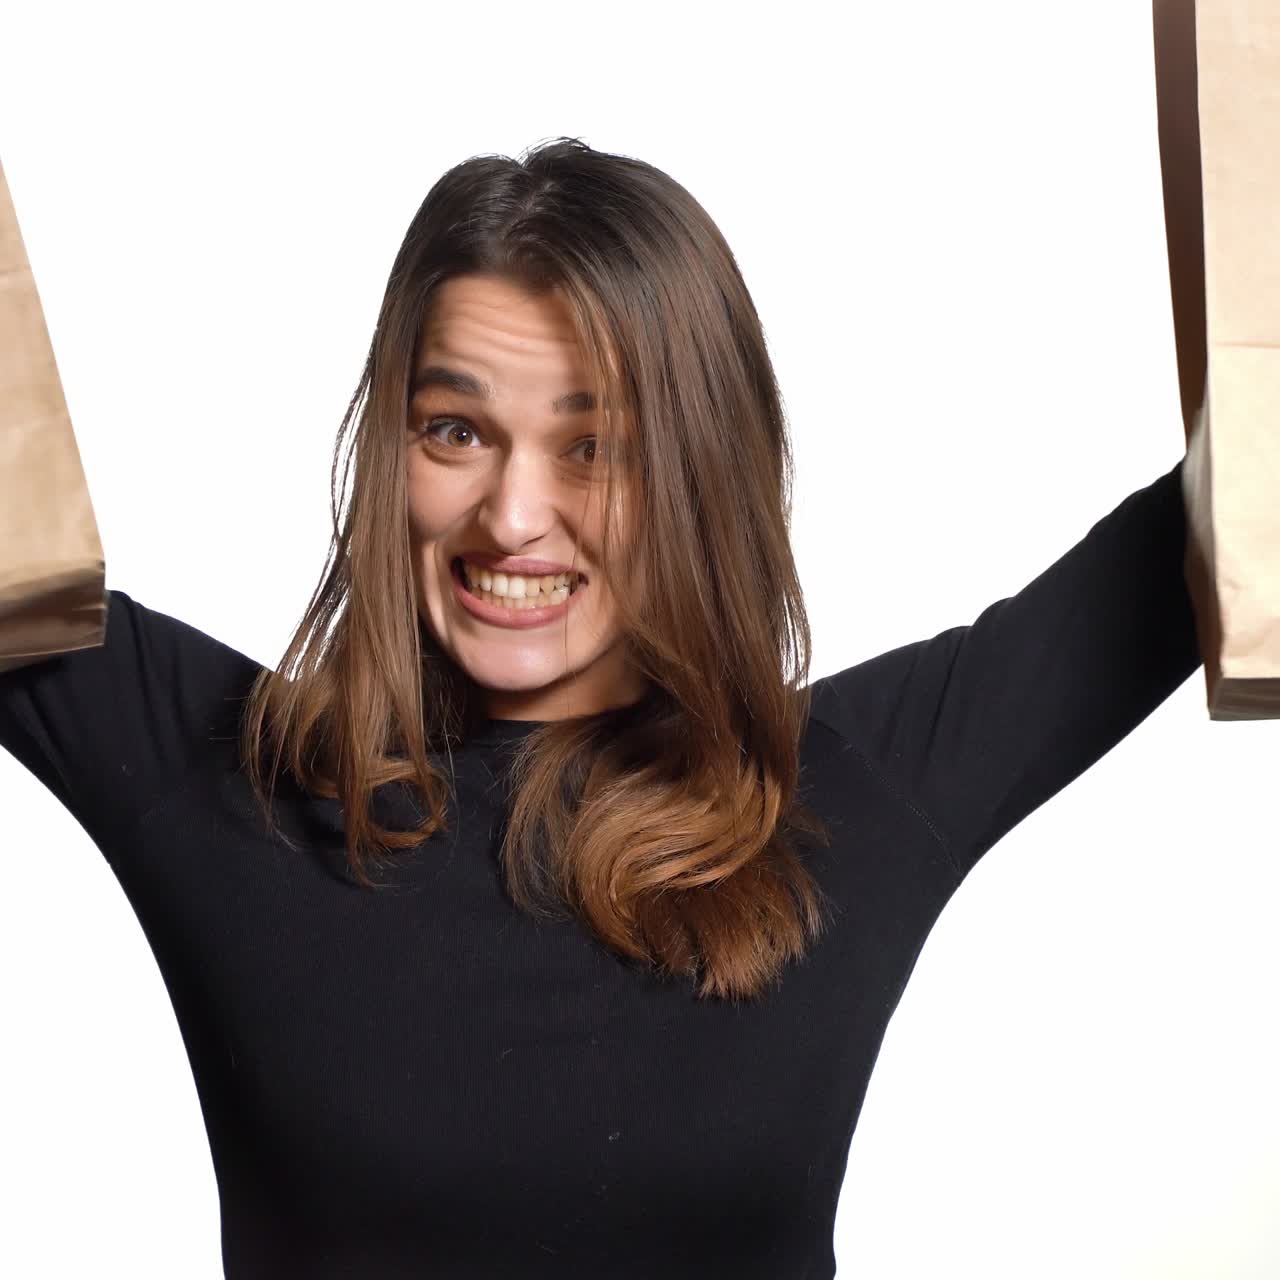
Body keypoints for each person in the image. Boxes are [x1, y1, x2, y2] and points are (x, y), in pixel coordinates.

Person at [0, 136, 1202, 1278]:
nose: (511, 514)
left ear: (698, 473)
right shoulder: (229, 771)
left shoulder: (843, 789)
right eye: (455, 430)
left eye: (594, 448)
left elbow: (1236, 495)